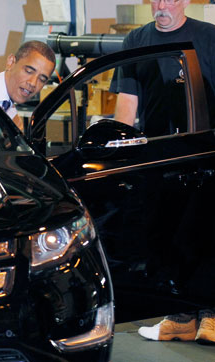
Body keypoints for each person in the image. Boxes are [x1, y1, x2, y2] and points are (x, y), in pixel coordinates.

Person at [110, 0, 215, 344]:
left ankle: (211, 317)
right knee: (163, 236)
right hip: (157, 161)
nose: (163, 4)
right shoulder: (135, 41)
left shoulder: (209, 37)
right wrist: (114, 154)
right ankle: (180, 318)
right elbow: (127, 104)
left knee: (202, 235)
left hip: (205, 159)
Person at [112, 0, 215, 136]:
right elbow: (127, 98)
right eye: (156, 0)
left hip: (201, 146)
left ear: (185, 2)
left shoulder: (209, 36)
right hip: (155, 144)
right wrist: (118, 144)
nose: (161, 6)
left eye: (169, 0)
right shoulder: (135, 40)